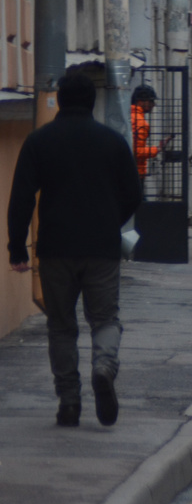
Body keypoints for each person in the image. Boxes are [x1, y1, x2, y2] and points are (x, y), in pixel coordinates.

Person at [7, 69, 141, 427]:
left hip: (56, 247)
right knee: (105, 319)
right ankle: (103, 366)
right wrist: (111, 221)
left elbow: (20, 198)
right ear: (93, 102)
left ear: (61, 101)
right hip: (101, 247)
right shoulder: (112, 142)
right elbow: (133, 194)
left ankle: (68, 401)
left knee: (61, 326)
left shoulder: (39, 141)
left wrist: (16, 247)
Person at [130, 84, 172, 179]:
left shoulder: (128, 116)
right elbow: (137, 151)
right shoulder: (140, 122)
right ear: (140, 101)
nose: (153, 104)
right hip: (136, 172)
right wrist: (157, 149)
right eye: (151, 101)